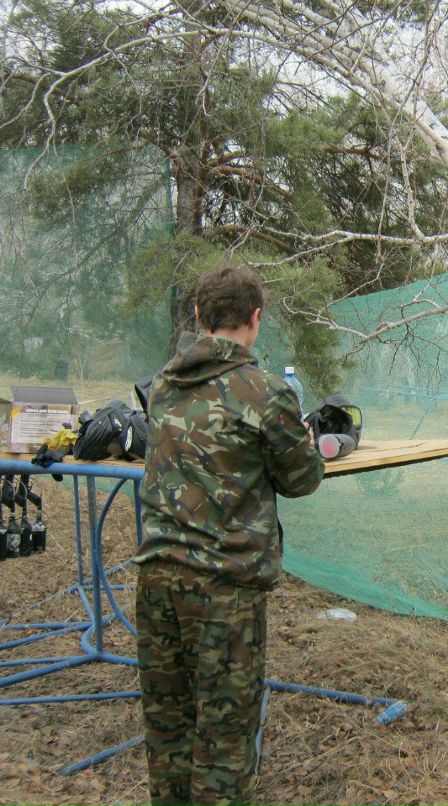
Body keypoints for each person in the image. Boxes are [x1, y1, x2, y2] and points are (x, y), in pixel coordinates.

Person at [133, 264, 324, 805]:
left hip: (156, 579)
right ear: (256, 319)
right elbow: (301, 478)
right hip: (223, 592)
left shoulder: (163, 385)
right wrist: (305, 440)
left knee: (168, 732)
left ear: (198, 315)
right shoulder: (265, 393)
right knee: (224, 744)